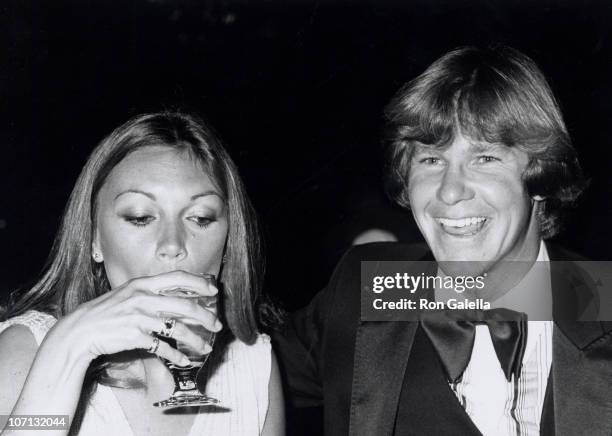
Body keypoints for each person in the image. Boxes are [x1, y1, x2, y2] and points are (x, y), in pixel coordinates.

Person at [274, 46, 612, 435]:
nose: (450, 192)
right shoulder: (367, 288)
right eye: (431, 160)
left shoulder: (601, 303)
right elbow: (233, 375)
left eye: (484, 158)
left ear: (541, 173)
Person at [0, 112, 284, 435]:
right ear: (95, 240)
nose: (173, 245)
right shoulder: (26, 353)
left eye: (201, 218)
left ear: (228, 241)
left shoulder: (252, 368)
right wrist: (68, 349)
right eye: (140, 217)